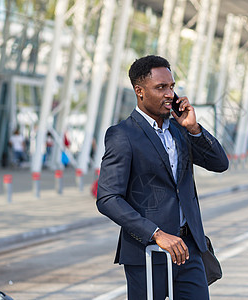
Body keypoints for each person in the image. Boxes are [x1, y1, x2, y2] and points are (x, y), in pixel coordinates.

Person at [96, 55, 229, 299]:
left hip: (190, 249)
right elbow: (107, 198)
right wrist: (156, 233)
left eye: (171, 86)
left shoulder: (181, 129)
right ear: (140, 91)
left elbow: (220, 163)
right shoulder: (122, 135)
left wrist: (194, 128)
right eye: (160, 87)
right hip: (148, 251)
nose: (169, 94)